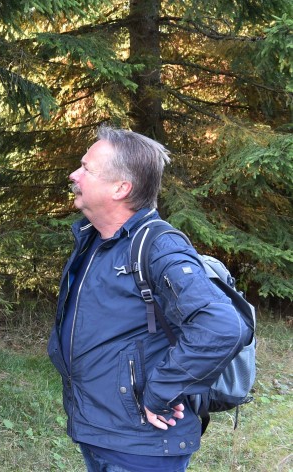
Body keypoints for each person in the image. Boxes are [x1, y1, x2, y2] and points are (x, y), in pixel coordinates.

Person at [48, 126, 250, 472]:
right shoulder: (94, 240)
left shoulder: (158, 247)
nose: (74, 174)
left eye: (86, 168)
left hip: (143, 447)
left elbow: (222, 326)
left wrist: (159, 391)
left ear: (120, 188)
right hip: (103, 431)